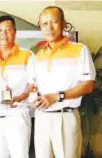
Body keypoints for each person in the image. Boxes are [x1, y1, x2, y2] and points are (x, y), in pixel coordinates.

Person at [32, 6, 96, 158]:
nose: (49, 27)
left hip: (65, 117)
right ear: (40, 26)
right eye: (44, 23)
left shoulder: (79, 50)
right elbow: (34, 85)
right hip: (41, 118)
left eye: (54, 21)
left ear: (63, 23)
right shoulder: (38, 55)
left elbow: (88, 85)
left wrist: (57, 96)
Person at [0, 15, 35, 158]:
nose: (4, 34)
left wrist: (19, 97)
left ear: (15, 32)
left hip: (17, 116)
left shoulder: (27, 55)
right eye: (0, 30)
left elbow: (34, 84)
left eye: (8, 30)